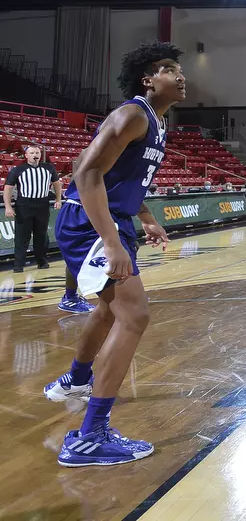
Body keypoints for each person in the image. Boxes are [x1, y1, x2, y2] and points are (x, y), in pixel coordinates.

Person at [43, 41, 182, 466]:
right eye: (169, 69)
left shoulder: (156, 121)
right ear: (147, 79)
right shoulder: (133, 114)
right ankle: (89, 438)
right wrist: (110, 240)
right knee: (134, 316)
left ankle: (76, 380)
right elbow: (84, 171)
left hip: (111, 218)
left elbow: (121, 177)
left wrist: (145, 217)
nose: (180, 76)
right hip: (89, 222)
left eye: (180, 70)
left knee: (108, 311)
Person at [4, 144, 63, 278]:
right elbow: (8, 187)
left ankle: (41, 261)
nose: (35, 155)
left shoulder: (49, 168)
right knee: (22, 235)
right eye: (32, 153)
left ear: (40, 154)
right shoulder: (18, 170)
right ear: (26, 155)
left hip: (42, 204)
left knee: (41, 235)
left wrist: (58, 199)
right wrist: (8, 206)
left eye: (37, 153)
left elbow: (56, 183)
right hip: (24, 205)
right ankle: (18, 265)